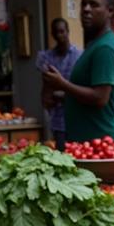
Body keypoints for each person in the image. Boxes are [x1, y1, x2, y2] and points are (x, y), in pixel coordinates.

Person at [44, 0, 114, 144]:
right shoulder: (95, 44)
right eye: (83, 4)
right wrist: (62, 95)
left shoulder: (105, 47)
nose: (86, 9)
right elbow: (86, 93)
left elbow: (100, 97)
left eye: (94, 5)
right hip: (84, 141)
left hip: (97, 143)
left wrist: (63, 84)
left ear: (110, 11)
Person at [36, 17, 80, 149]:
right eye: (56, 32)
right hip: (58, 117)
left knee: (78, 152)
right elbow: (47, 95)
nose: (60, 35)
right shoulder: (47, 57)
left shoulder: (79, 55)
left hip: (77, 114)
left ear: (68, 31)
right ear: (52, 34)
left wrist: (63, 94)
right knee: (61, 153)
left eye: (62, 31)